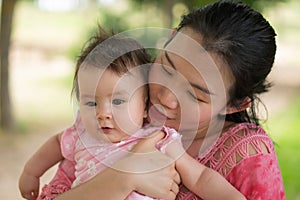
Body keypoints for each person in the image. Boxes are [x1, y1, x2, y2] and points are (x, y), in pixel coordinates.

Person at [19, 27, 246, 200]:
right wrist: (32, 172)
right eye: (90, 103)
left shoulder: (159, 138)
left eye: (118, 101)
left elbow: (200, 177)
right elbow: (56, 143)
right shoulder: (82, 134)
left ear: (144, 105)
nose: (103, 113)